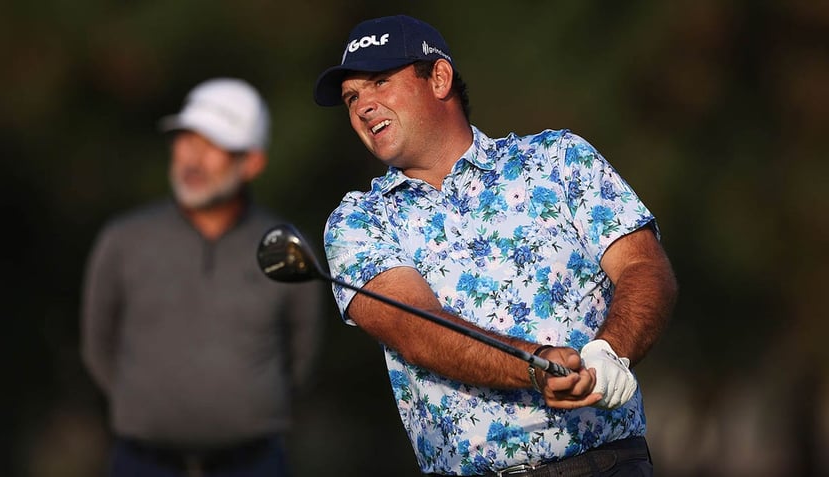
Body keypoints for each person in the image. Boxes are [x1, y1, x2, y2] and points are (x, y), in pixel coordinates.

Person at [313, 15, 678, 477]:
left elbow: (644, 266)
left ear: (439, 78)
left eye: (381, 82)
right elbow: (416, 329)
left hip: (606, 465)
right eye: (352, 97)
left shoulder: (559, 160)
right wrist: (534, 365)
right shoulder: (358, 221)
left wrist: (611, 350)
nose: (364, 105)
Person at [81, 77, 323, 477]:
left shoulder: (288, 247)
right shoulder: (122, 240)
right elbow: (97, 347)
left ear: (252, 163)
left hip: (254, 463)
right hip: (141, 462)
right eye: (187, 140)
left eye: (214, 146)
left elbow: (302, 358)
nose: (193, 159)